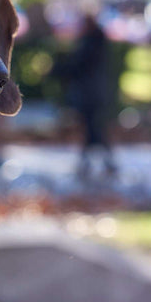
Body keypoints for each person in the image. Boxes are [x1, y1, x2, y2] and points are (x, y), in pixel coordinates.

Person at [56, 11, 117, 180]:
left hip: (90, 94)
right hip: (95, 92)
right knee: (93, 128)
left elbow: (77, 65)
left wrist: (57, 70)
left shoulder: (90, 42)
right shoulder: (96, 41)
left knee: (93, 129)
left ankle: (93, 163)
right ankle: (96, 162)